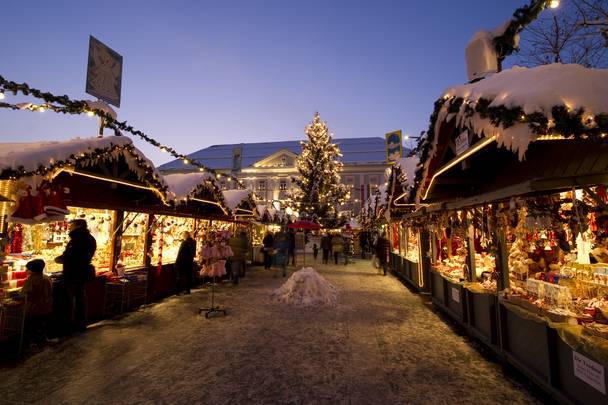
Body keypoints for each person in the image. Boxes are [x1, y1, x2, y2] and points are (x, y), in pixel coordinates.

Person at [55, 219, 96, 333]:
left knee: (69, 300)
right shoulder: (89, 238)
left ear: (78, 226)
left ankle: (68, 325)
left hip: (73, 273)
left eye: (71, 225)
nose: (69, 227)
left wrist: (60, 259)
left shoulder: (78, 239)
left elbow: (72, 256)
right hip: (81, 273)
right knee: (80, 298)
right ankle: (80, 323)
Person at [20, 259, 53, 347]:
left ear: (33, 270)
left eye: (27, 269)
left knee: (33, 325)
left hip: (34, 308)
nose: (25, 271)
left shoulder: (32, 280)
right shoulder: (47, 278)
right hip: (46, 306)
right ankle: (42, 339)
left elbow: (26, 294)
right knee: (41, 324)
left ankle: (34, 342)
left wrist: (19, 295)